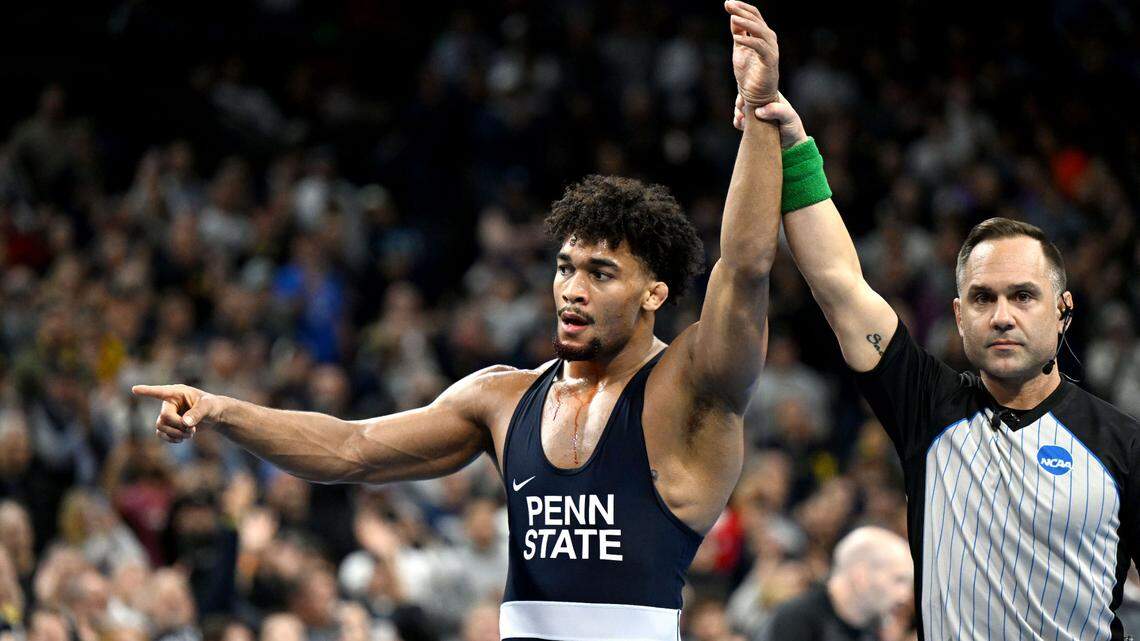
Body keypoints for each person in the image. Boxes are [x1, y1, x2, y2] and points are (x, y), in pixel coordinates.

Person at [133, 3, 783, 639]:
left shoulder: (693, 382)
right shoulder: (503, 397)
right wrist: (220, 409)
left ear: (654, 293)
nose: (572, 290)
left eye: (601, 273)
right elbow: (349, 449)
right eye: (565, 268)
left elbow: (747, 265)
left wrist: (758, 113)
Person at [733, 56, 1140, 639]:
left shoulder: (1123, 445)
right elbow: (839, 284)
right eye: (982, 299)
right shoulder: (927, 405)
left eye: (1024, 297)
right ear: (958, 316)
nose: (1002, 316)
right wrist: (794, 140)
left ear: (1064, 312)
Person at [758, 527, 912, 641]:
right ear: (861, 576)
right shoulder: (795, 619)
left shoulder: (875, 631)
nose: (906, 595)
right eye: (899, 580)